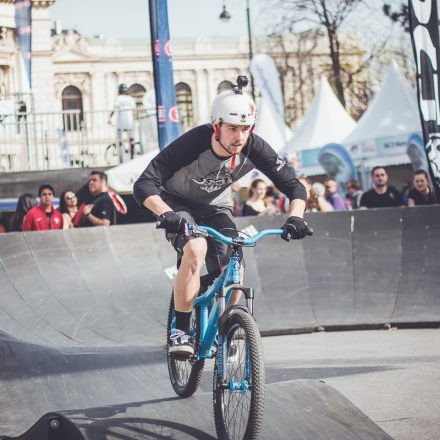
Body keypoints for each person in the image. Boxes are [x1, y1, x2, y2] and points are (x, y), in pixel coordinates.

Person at [133, 75, 309, 356]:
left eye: (245, 129)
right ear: (216, 126)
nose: (239, 137)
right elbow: (143, 184)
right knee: (195, 246)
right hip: (176, 202)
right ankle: (180, 330)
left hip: (215, 206)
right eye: (231, 129)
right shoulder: (193, 143)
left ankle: (226, 326)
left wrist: (296, 217)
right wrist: (167, 214)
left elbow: (294, 186)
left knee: (234, 262)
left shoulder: (254, 146)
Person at [108, 83, 136, 163]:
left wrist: (110, 118)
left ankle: (121, 157)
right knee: (131, 139)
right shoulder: (130, 98)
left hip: (121, 122)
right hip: (130, 122)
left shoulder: (118, 98)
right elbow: (134, 111)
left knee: (120, 140)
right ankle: (132, 155)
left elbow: (114, 109)